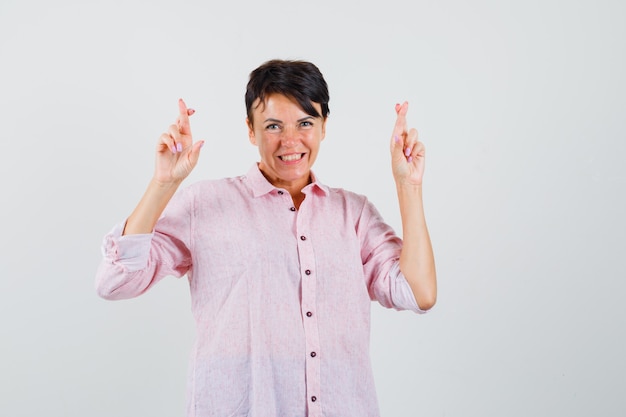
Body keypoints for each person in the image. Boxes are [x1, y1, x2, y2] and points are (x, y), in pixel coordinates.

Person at [95, 59, 436, 417]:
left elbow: (419, 292)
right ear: (251, 131)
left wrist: (408, 185)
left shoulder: (355, 215)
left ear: (323, 127)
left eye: (306, 123)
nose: (291, 141)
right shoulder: (205, 205)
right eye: (273, 125)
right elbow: (115, 282)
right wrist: (163, 184)